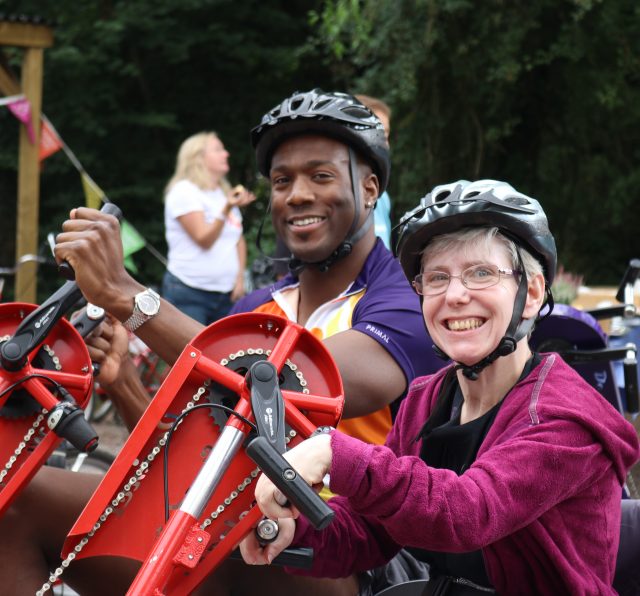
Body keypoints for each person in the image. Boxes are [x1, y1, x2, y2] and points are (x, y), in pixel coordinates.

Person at [0, 90, 441, 595]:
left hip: (342, 554)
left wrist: (128, 296)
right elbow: (190, 442)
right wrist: (122, 384)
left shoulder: (405, 302)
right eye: (281, 181)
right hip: (226, 537)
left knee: (266, 525)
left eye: (320, 176)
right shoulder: (255, 309)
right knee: (15, 507)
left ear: (369, 190)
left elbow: (295, 380)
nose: (296, 194)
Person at [241, 180, 640, 595]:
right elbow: (372, 531)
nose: (454, 295)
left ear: (532, 293)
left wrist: (333, 452)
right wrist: (294, 531)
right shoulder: (426, 400)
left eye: (481, 273)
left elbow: (469, 511)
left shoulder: (566, 418)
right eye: (436, 278)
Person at [162, 131, 255, 325]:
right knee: (191, 354)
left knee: (227, 355)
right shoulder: (184, 191)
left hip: (227, 294)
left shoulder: (222, 193)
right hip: (189, 291)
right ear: (198, 158)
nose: (226, 154)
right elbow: (203, 239)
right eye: (218, 150)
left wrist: (239, 278)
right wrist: (226, 209)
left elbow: (237, 239)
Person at [354, 94, 393, 250]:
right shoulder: (328, 194)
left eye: (386, 135)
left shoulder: (383, 196)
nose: (386, 145)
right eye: (378, 134)